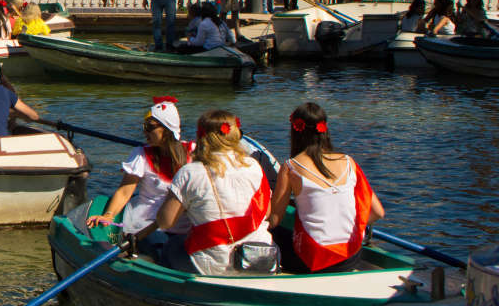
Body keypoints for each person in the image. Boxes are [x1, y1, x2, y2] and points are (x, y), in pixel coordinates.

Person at [155, 109, 274, 275]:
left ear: (202, 137)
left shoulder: (189, 172)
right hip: (261, 257)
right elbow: (266, 212)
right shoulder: (254, 166)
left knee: (172, 246)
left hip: (212, 265)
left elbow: (165, 222)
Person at [268, 103, 384, 274]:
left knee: (278, 232)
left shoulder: (291, 167)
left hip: (312, 260)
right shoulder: (348, 162)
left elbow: (275, 219)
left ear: (295, 131)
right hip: (349, 258)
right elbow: (378, 213)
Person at [87, 97, 196, 261]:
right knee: (164, 254)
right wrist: (109, 215)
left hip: (185, 224)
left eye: (150, 127)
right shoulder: (141, 154)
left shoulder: (193, 152)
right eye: (144, 127)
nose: (144, 132)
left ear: (167, 129)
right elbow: (125, 191)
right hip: (147, 223)